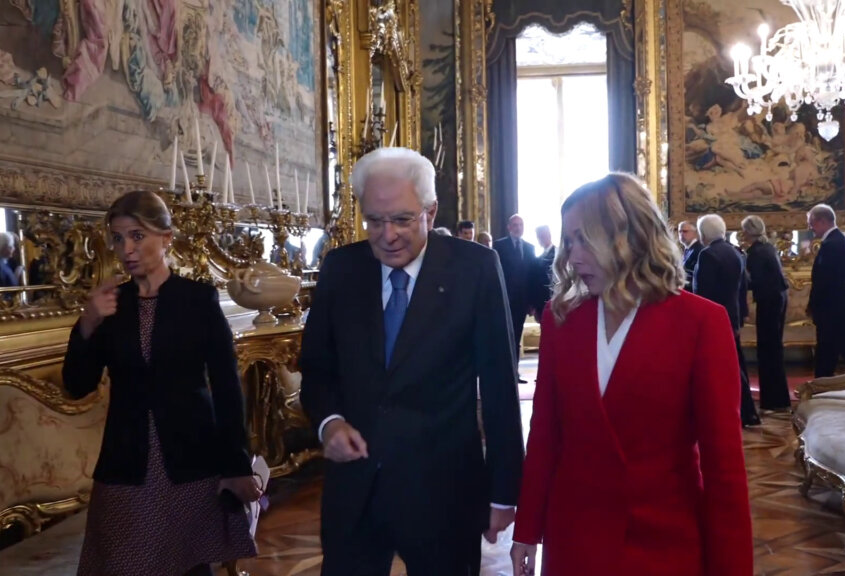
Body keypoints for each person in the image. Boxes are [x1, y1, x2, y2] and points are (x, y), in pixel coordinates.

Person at [510, 173, 752, 576]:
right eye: (568, 242)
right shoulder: (561, 319)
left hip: (664, 543)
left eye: (584, 239)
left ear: (628, 236)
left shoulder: (701, 323)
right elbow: (545, 435)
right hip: (573, 540)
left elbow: (723, 470)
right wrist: (527, 528)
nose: (572, 257)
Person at [299, 147, 524, 576]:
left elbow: (498, 385)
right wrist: (330, 422)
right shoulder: (341, 269)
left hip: (444, 493)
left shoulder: (474, 268)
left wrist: (503, 493)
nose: (388, 235)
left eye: (402, 219)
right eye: (374, 221)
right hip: (355, 491)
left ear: (430, 211)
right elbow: (317, 367)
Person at [62, 191, 260, 576]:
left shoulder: (198, 300)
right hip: (125, 461)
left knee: (190, 567)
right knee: (123, 565)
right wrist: (87, 323)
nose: (126, 249)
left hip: (191, 459)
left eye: (137, 236)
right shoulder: (110, 305)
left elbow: (226, 387)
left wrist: (237, 464)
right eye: (118, 238)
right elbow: (77, 384)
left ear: (166, 237)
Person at [693, 214, 760, 427]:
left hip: (715, 319)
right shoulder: (735, 252)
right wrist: (739, 318)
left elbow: (704, 293)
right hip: (732, 316)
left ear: (703, 234)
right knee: (736, 363)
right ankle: (747, 412)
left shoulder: (708, 255)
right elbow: (742, 289)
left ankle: (730, 411)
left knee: (723, 367)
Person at [806, 204, 845, 377]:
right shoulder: (837, 241)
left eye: (811, 223)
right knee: (829, 353)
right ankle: (822, 386)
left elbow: (825, 281)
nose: (810, 228)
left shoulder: (833, 244)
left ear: (822, 221)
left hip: (833, 309)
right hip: (836, 308)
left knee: (842, 351)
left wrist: (814, 305)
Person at [741, 215, 791, 412]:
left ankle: (773, 401)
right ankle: (779, 399)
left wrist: (740, 277)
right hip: (778, 300)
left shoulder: (756, 252)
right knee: (773, 350)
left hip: (769, 303)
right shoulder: (768, 247)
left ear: (748, 232)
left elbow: (756, 282)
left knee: (767, 351)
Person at [494, 214, 537, 375]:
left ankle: (514, 372)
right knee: (504, 337)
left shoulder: (529, 248)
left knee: (517, 336)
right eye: (515, 225)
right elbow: (496, 273)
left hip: (522, 302)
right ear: (509, 227)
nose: (518, 228)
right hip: (504, 300)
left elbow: (532, 276)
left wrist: (532, 302)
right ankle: (503, 372)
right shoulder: (499, 246)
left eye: (521, 225)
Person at [530, 225, 556, 322]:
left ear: (549, 235)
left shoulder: (558, 254)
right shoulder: (539, 258)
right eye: (539, 236)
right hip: (541, 304)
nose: (541, 239)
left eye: (542, 235)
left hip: (553, 302)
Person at [677, 221, 700, 291]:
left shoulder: (699, 250)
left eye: (685, 231)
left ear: (695, 233)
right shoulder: (687, 249)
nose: (681, 234)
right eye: (679, 231)